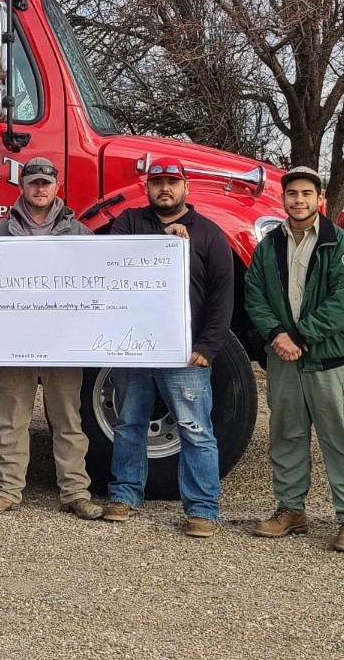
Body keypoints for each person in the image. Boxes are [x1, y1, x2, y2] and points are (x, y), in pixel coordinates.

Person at [100, 157, 236, 538]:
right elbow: (115, 260)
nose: (165, 188)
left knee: (196, 430)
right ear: (147, 188)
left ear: (185, 187)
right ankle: (124, 494)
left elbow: (222, 297)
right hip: (135, 347)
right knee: (129, 423)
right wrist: (163, 243)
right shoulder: (129, 222)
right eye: (157, 181)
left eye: (172, 182)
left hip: (184, 353)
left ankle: (202, 509)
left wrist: (209, 345)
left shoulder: (208, 234)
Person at [243, 166, 344, 553]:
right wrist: (276, 335)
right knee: (286, 437)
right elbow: (254, 295)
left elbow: (343, 304)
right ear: (283, 199)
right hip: (284, 361)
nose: (298, 200)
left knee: (342, 440)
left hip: (329, 362)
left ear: (320, 200)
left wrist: (299, 336)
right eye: (292, 194)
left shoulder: (343, 247)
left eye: (306, 194)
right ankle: (290, 510)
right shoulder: (268, 246)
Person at [0, 158, 103, 521]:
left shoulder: (79, 233)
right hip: (14, 343)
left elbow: (98, 282)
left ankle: (75, 491)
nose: (40, 189)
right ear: (22, 187)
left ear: (56, 186)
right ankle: (6, 490)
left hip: (62, 343)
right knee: (11, 419)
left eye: (46, 183)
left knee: (69, 420)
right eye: (33, 183)